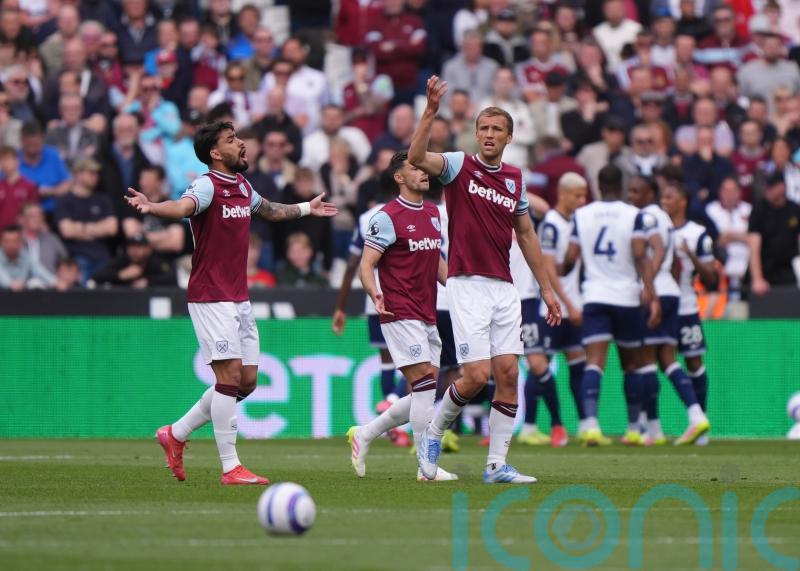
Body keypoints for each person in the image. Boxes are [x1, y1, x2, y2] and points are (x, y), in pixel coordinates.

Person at [125, 120, 337, 485]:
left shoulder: (241, 185)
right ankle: (230, 467)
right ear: (214, 152)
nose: (241, 144)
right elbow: (182, 207)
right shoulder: (207, 185)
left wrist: (306, 208)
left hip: (238, 296)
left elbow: (269, 210)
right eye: (232, 140)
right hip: (210, 296)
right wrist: (152, 206)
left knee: (247, 382)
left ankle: (175, 434)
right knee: (229, 378)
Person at [410, 75, 561, 484]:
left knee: (509, 373)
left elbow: (526, 233)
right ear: (475, 134)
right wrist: (430, 112)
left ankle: (496, 465)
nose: (489, 135)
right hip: (466, 284)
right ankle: (432, 435)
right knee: (476, 376)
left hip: (505, 287)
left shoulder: (515, 179)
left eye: (496, 129)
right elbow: (417, 156)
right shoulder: (459, 165)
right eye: (483, 128)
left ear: (510, 137)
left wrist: (546, 289)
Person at [348, 151, 457, 482]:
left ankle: (365, 434)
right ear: (398, 177)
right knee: (424, 382)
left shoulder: (434, 214)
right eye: (415, 167)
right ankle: (426, 467)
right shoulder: (386, 217)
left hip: (428, 311)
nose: (424, 172)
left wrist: (461, 286)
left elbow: (436, 262)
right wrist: (374, 293)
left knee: (425, 391)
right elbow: (366, 265)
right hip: (399, 310)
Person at [562, 165, 659, 446]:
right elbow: (640, 255)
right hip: (627, 296)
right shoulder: (634, 215)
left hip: (595, 295)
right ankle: (633, 429)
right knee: (633, 364)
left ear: (597, 185)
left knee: (594, 361)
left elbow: (570, 257)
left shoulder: (581, 215)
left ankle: (591, 425)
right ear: (622, 183)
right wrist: (650, 293)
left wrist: (559, 267)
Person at [627, 176, 710, 447]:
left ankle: (656, 429)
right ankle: (689, 418)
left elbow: (657, 251)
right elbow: (673, 259)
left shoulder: (647, 217)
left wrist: (650, 287)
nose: (631, 196)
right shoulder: (665, 219)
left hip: (658, 292)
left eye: (635, 191)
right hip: (672, 292)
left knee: (648, 360)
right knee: (667, 358)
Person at [331, 177, 410, 447]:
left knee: (387, 361)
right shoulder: (408, 213)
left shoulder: (366, 218)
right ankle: (392, 403)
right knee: (419, 363)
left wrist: (340, 307)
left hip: (373, 300)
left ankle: (392, 425)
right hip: (405, 297)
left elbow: (353, 265)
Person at [519, 173, 587, 448]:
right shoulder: (550, 225)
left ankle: (585, 424)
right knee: (539, 365)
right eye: (578, 196)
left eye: (585, 196)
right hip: (544, 303)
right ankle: (535, 425)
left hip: (572, 305)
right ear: (564, 193)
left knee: (577, 365)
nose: (582, 201)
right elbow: (547, 268)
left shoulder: (577, 222)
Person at [663, 183, 718, 446]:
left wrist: (691, 256)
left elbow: (712, 278)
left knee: (694, 363)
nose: (665, 200)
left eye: (669, 195)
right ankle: (647, 425)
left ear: (683, 200)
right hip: (662, 307)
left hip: (686, 307)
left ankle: (701, 424)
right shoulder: (657, 228)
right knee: (656, 361)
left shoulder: (698, 234)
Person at [53, 158, 118, 282]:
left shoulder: (103, 199)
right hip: (77, 258)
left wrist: (81, 228)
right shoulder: (65, 201)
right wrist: (98, 228)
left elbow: (112, 228)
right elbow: (67, 231)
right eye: (91, 173)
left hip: (102, 256)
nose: (96, 177)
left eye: (96, 173)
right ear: (78, 174)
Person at [748, 172, 800, 294]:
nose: (767, 190)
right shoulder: (759, 209)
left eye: (771, 187)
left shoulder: (794, 209)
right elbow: (753, 245)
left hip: (788, 268)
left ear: (782, 187)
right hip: (765, 267)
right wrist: (757, 278)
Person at [92, 233, 176, 288]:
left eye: (139, 247)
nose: (134, 251)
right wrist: (120, 275)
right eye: (131, 247)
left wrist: (148, 281)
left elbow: (172, 277)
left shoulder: (153, 261)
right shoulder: (122, 260)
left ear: (148, 249)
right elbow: (97, 276)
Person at [0, 224, 56, 290]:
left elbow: (39, 270)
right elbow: (3, 278)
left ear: (21, 242)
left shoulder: (25, 256)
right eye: (7, 241)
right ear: (1, 242)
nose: (11, 245)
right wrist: (11, 284)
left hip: (20, 295)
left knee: (35, 283)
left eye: (14, 241)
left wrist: (56, 282)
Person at [19, 202, 67, 275]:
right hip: (20, 283)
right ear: (22, 219)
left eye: (40, 215)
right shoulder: (14, 239)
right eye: (32, 216)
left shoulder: (52, 239)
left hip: (50, 284)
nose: (37, 219)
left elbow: (66, 261)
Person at [0, 145, 37, 228]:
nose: (5, 163)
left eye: (8, 159)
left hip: (20, 235)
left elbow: (34, 214)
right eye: (2, 160)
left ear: (17, 161)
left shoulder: (29, 186)